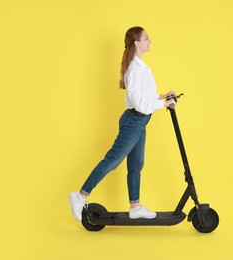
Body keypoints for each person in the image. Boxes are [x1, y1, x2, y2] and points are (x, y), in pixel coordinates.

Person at [69, 26, 177, 221]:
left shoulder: (140, 66)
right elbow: (138, 102)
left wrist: (162, 96)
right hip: (134, 120)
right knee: (112, 161)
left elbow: (142, 95)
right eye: (146, 38)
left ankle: (135, 206)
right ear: (137, 43)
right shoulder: (135, 69)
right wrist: (163, 104)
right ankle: (79, 195)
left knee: (136, 164)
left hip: (140, 121)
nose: (149, 41)